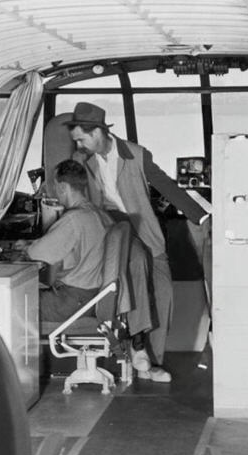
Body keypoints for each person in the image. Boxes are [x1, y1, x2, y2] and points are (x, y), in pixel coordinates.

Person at [66, 101, 210, 383]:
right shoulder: (83, 161)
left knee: (164, 293)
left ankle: (150, 363)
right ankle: (139, 346)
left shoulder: (136, 154)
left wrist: (201, 218)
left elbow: (166, 185)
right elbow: (73, 192)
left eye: (82, 139)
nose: (79, 145)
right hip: (113, 231)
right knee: (136, 264)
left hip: (146, 231)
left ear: (97, 132)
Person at [24, 160, 113, 325]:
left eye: (54, 184)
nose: (54, 189)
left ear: (63, 187)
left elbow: (33, 254)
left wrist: (24, 247)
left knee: (13, 302)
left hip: (73, 302)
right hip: (92, 297)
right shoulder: (100, 215)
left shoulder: (74, 219)